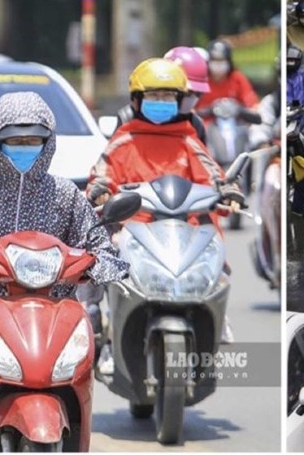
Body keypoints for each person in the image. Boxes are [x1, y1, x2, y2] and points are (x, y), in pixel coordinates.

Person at [0, 92, 129, 359]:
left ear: (48, 143)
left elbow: (98, 245)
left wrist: (101, 264)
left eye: (33, 141)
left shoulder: (65, 194)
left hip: (54, 308)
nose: (24, 147)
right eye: (15, 141)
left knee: (81, 360)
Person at [85, 59, 243, 351]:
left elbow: (213, 176)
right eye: (154, 96)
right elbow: (102, 175)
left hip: (184, 231)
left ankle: (217, 316)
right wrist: (100, 191)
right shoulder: (123, 142)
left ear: (180, 100)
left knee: (218, 257)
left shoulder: (189, 142)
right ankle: (93, 316)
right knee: (96, 252)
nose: (162, 102)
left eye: (168, 97)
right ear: (137, 100)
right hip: (132, 231)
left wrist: (228, 191)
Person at [196, 39, 259, 122]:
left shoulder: (237, 78)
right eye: (214, 60)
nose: (218, 65)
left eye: (222, 60)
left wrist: (238, 109)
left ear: (229, 62)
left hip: (235, 127)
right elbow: (191, 111)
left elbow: (254, 107)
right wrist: (211, 110)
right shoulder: (201, 80)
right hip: (206, 127)